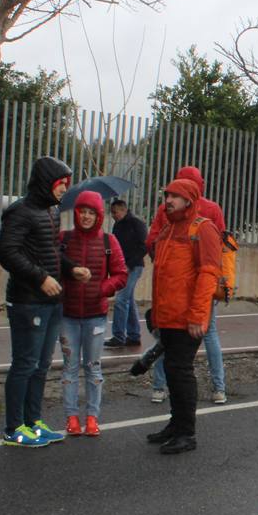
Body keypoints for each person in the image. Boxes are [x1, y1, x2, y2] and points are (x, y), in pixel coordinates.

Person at [0, 156, 72, 448]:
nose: (64, 188)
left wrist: (70, 267)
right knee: (24, 364)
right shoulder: (20, 212)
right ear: (46, 183)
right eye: (60, 183)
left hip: (51, 301)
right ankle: (13, 427)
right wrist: (40, 278)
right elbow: (6, 252)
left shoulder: (51, 212)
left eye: (66, 183)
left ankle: (33, 422)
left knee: (41, 365)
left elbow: (50, 251)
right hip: (27, 302)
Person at [143, 179, 221, 454]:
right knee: (173, 373)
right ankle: (175, 425)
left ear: (189, 200)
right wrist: (157, 315)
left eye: (175, 196)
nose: (169, 200)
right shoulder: (167, 229)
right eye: (167, 195)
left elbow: (208, 273)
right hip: (168, 317)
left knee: (181, 372)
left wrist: (198, 315)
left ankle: (186, 433)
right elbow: (162, 277)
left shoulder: (202, 228)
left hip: (187, 317)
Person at [58, 191, 127, 437]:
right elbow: (52, 266)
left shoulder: (110, 242)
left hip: (96, 316)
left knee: (93, 368)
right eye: (82, 211)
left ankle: (92, 417)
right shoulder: (63, 239)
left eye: (91, 212)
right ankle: (71, 417)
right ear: (76, 213)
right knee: (69, 368)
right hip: (67, 315)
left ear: (99, 215)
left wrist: (101, 289)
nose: (86, 217)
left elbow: (121, 274)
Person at [104, 197, 148, 349]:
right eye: (112, 213)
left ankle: (118, 336)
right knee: (128, 299)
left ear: (123, 210)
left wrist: (129, 264)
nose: (113, 215)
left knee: (122, 299)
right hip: (124, 266)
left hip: (133, 266)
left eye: (115, 212)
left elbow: (144, 246)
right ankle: (134, 335)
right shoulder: (118, 226)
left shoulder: (136, 224)